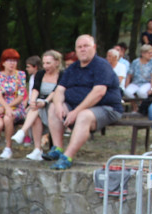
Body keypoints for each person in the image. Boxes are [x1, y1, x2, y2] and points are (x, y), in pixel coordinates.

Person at [44, 34, 123, 170]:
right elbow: (60, 90)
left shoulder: (101, 65)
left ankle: (67, 157)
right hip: (76, 107)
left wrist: (76, 111)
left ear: (94, 47)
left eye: (86, 46)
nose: (82, 49)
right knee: (52, 107)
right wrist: (58, 106)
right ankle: (57, 148)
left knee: (83, 115)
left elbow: (98, 92)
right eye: (79, 47)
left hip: (106, 108)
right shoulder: (72, 68)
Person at [12, 50, 62, 160]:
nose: (45, 66)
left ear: (57, 62)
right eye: (44, 63)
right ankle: (37, 149)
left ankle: (23, 132)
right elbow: (35, 89)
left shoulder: (62, 74)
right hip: (40, 104)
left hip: (54, 104)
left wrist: (46, 101)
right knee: (35, 112)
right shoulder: (40, 74)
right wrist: (33, 101)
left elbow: (56, 91)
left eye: (48, 63)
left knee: (35, 111)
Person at [0, 49, 27, 159]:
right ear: (3, 62)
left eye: (14, 60)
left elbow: (20, 96)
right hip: (1, 105)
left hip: (16, 106)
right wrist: (5, 107)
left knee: (8, 117)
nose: (12, 63)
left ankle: (8, 148)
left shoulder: (21, 75)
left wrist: (8, 108)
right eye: (9, 60)